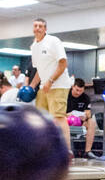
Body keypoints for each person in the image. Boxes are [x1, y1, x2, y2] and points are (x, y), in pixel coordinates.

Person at [29, 18, 74, 149]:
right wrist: (32, 85)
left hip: (59, 84)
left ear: (45, 29)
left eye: (40, 26)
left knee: (59, 117)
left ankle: (66, 152)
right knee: (40, 118)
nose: (37, 28)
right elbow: (39, 69)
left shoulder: (53, 41)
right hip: (44, 86)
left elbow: (63, 63)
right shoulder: (34, 46)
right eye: (35, 26)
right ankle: (44, 150)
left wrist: (51, 80)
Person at [67, 78, 99, 158]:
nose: (78, 93)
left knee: (92, 121)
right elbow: (58, 113)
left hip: (81, 121)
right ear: (73, 87)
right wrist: (69, 114)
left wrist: (85, 116)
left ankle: (88, 151)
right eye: (77, 90)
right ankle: (67, 151)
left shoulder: (85, 98)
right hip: (66, 120)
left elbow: (88, 113)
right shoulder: (65, 96)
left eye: (81, 91)